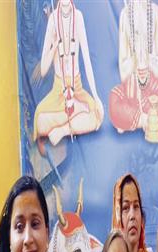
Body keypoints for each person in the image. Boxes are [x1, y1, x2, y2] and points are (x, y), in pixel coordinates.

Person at [34, 0, 104, 151]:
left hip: (76, 88)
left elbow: (87, 59)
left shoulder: (78, 17)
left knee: (97, 116)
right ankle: (75, 117)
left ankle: (61, 130)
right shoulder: (53, 20)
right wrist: (54, 46)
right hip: (58, 90)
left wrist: (96, 96)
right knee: (39, 119)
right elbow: (44, 69)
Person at [109, 0, 158, 137]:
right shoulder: (125, 14)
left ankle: (136, 119)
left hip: (153, 86)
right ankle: (148, 119)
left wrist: (147, 59)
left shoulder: (155, 12)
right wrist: (134, 60)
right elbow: (123, 72)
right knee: (114, 102)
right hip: (132, 88)